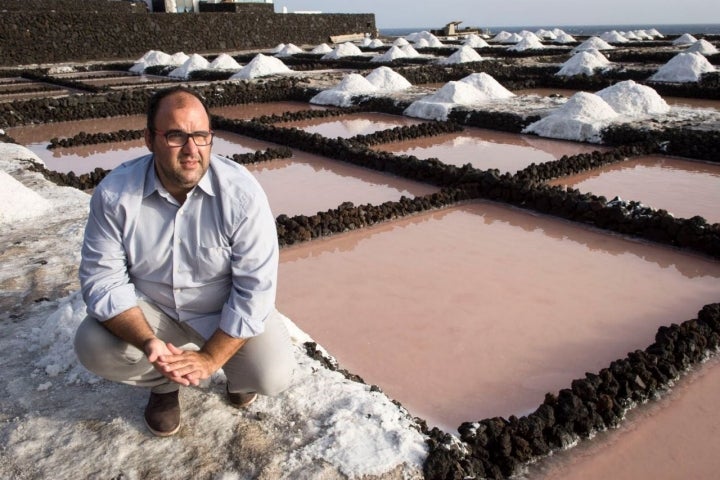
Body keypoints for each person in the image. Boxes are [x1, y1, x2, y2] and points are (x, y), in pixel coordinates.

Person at [74, 85, 296, 437]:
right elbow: (103, 282)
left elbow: (254, 290)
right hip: (154, 311)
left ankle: (237, 376)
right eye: (176, 135)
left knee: (272, 374)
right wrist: (150, 345)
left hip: (220, 311)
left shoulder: (241, 195)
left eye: (201, 135)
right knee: (92, 344)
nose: (192, 149)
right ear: (149, 139)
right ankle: (163, 386)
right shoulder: (116, 194)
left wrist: (211, 359)